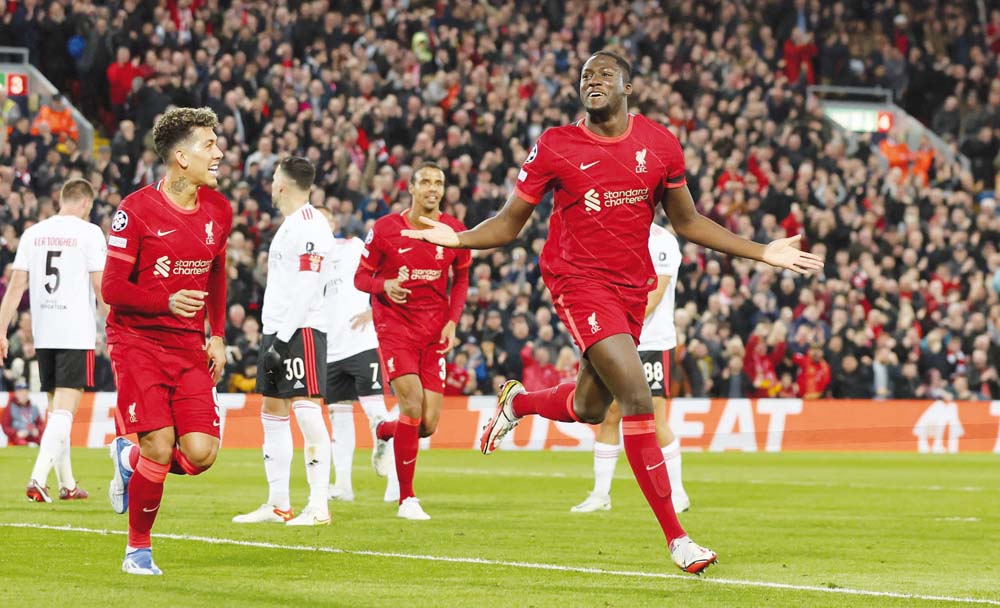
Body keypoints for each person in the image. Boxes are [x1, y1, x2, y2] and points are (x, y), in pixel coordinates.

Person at [404, 51, 822, 573]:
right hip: (578, 283)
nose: (591, 80)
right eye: (585, 75)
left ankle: (519, 403)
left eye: (603, 74)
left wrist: (762, 250)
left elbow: (688, 222)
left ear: (628, 86)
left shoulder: (660, 144)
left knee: (588, 408)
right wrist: (459, 239)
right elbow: (511, 223)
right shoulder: (556, 144)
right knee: (637, 398)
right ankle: (678, 538)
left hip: (630, 289)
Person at [102, 107, 231, 575]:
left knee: (200, 454)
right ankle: (138, 550)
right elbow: (112, 290)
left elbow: (217, 272)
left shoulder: (219, 210)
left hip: (188, 346)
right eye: (209, 145)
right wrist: (165, 302)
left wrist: (217, 334)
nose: (219, 152)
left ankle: (128, 459)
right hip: (137, 341)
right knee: (160, 444)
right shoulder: (134, 211)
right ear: (180, 157)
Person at [353, 163, 471, 520]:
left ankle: (383, 430)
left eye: (438, 183)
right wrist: (383, 286)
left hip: (434, 333)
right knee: (412, 405)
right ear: (412, 188)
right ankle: (407, 499)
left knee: (428, 424)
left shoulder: (453, 230)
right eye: (425, 182)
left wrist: (452, 322)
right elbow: (361, 277)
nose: (433, 188)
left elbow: (462, 278)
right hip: (396, 328)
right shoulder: (386, 229)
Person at [233, 157, 334, 527]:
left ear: (284, 185)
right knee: (272, 413)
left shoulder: (311, 226)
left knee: (307, 410)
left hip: (302, 331)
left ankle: (319, 506)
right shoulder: (290, 226)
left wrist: (284, 338)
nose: (271, 184)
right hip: (278, 331)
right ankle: (278, 503)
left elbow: (309, 287)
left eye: (275, 178)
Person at [570, 221, 691, 514]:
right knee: (610, 416)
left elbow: (655, 294)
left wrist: (617, 323)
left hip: (652, 341)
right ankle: (601, 494)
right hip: (618, 338)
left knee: (655, 419)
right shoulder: (616, 233)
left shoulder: (662, 241)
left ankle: (678, 493)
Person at [0, 178, 106, 502]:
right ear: (86, 203)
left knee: (55, 412)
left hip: (45, 333)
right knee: (65, 410)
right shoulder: (90, 233)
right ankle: (37, 478)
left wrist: (1, 330)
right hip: (75, 332)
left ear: (63, 200)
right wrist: (115, 330)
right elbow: (102, 289)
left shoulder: (33, 233)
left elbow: (16, 286)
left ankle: (68, 484)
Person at [316, 207, 399, 504]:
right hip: (331, 350)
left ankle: (394, 482)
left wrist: (374, 309)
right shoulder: (314, 265)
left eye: (324, 219)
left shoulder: (352, 248)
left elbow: (388, 268)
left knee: (376, 415)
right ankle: (343, 485)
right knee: (339, 419)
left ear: (334, 223)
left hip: (361, 344)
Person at [1, 379, 45, 446]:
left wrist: (37, 430)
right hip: (17, 438)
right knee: (20, 442)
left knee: (44, 441)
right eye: (21, 392)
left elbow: (41, 424)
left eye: (25, 392)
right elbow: (5, 426)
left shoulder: (34, 408)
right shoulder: (10, 408)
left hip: (34, 437)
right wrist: (16, 433)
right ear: (16, 394)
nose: (23, 395)